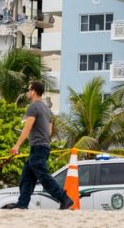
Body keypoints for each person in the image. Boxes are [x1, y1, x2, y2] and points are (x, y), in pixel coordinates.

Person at [7, 81, 74, 210]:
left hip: (38, 147)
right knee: (26, 177)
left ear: (33, 91)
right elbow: (48, 131)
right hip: (43, 147)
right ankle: (22, 204)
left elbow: (27, 128)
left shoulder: (32, 107)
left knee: (44, 177)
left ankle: (64, 199)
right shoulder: (47, 109)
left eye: (28, 90)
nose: (27, 93)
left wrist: (17, 145)